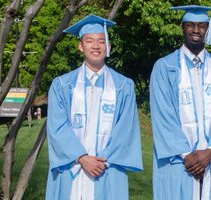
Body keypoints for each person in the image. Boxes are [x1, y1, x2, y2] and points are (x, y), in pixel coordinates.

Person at [46, 14, 143, 200]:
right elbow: (57, 127)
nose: (96, 46)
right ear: (80, 46)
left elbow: (126, 130)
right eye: (89, 41)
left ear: (109, 47)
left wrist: (101, 162)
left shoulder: (123, 86)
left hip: (107, 168)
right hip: (72, 167)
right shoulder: (62, 85)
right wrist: (82, 158)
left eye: (101, 41)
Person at [150, 5, 211, 200]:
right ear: (182, 27)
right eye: (190, 25)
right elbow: (163, 115)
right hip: (178, 160)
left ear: (208, 29)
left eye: (201, 25)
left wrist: (210, 152)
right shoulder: (165, 67)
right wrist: (187, 155)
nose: (196, 30)